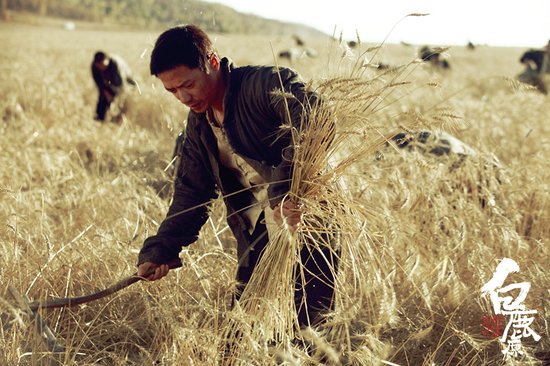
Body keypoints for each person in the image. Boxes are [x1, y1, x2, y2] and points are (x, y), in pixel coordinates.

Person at [136, 25, 337, 328]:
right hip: (259, 230)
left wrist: (285, 190)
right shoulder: (199, 127)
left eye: (188, 84)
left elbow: (317, 118)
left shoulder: (265, 84)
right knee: (242, 326)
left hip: (309, 219)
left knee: (308, 330)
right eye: (172, 90)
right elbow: (192, 193)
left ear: (212, 63)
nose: (183, 97)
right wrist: (161, 248)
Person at [91, 51, 136, 122]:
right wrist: (106, 93)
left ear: (107, 60)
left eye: (103, 65)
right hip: (109, 82)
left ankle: (118, 119)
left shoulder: (115, 65)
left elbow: (121, 85)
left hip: (126, 81)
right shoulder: (94, 66)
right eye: (99, 66)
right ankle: (99, 119)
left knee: (121, 100)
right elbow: (99, 83)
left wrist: (114, 97)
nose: (101, 68)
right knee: (103, 97)